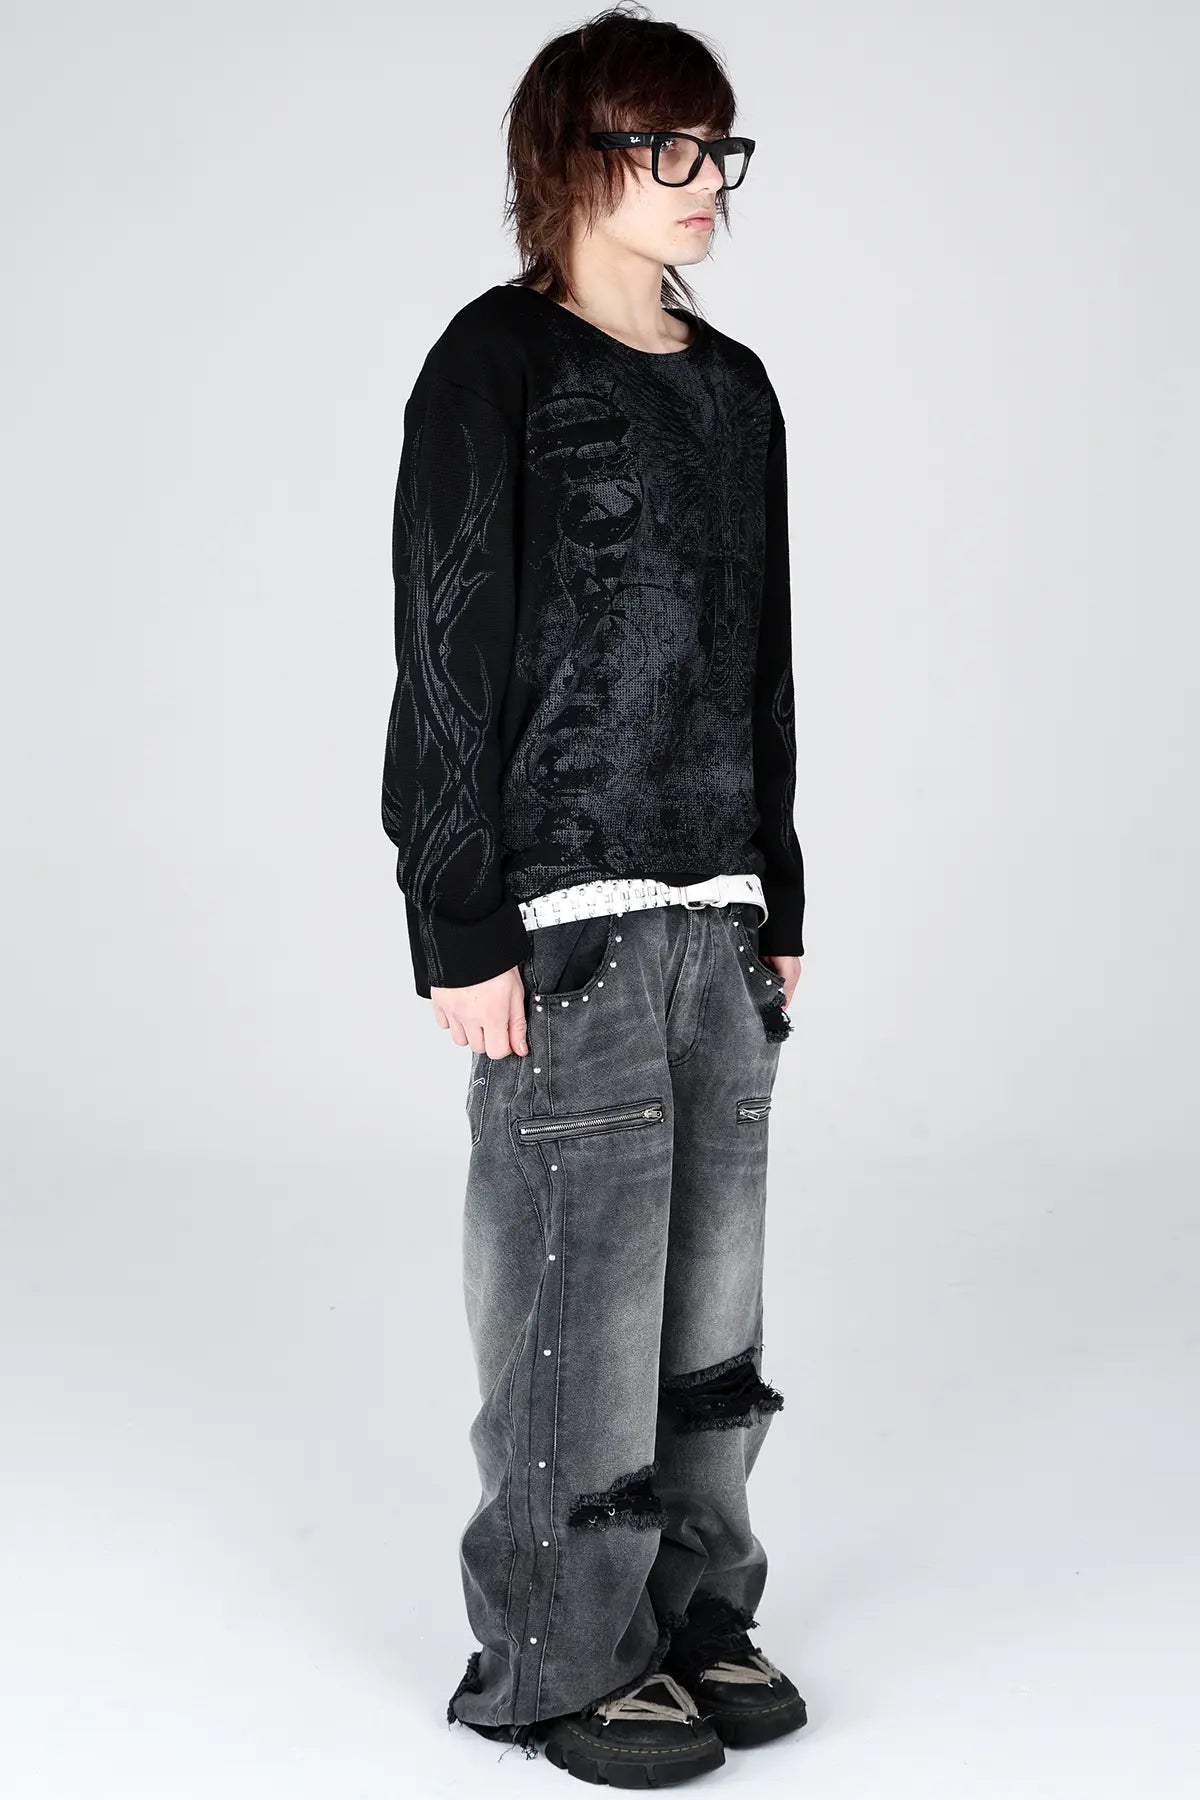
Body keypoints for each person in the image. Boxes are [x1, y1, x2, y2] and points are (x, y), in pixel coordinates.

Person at [380, 7, 808, 1784]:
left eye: (718, 148)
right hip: (565, 915)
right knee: (584, 1295)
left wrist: (783, 892)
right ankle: (558, 1655)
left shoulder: (736, 384)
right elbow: (445, 647)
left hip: (717, 909)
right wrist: (457, 914)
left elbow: (761, 656)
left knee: (711, 1313)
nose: (707, 181)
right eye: (668, 147)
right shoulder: (495, 363)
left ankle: (694, 1610)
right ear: (572, 157)